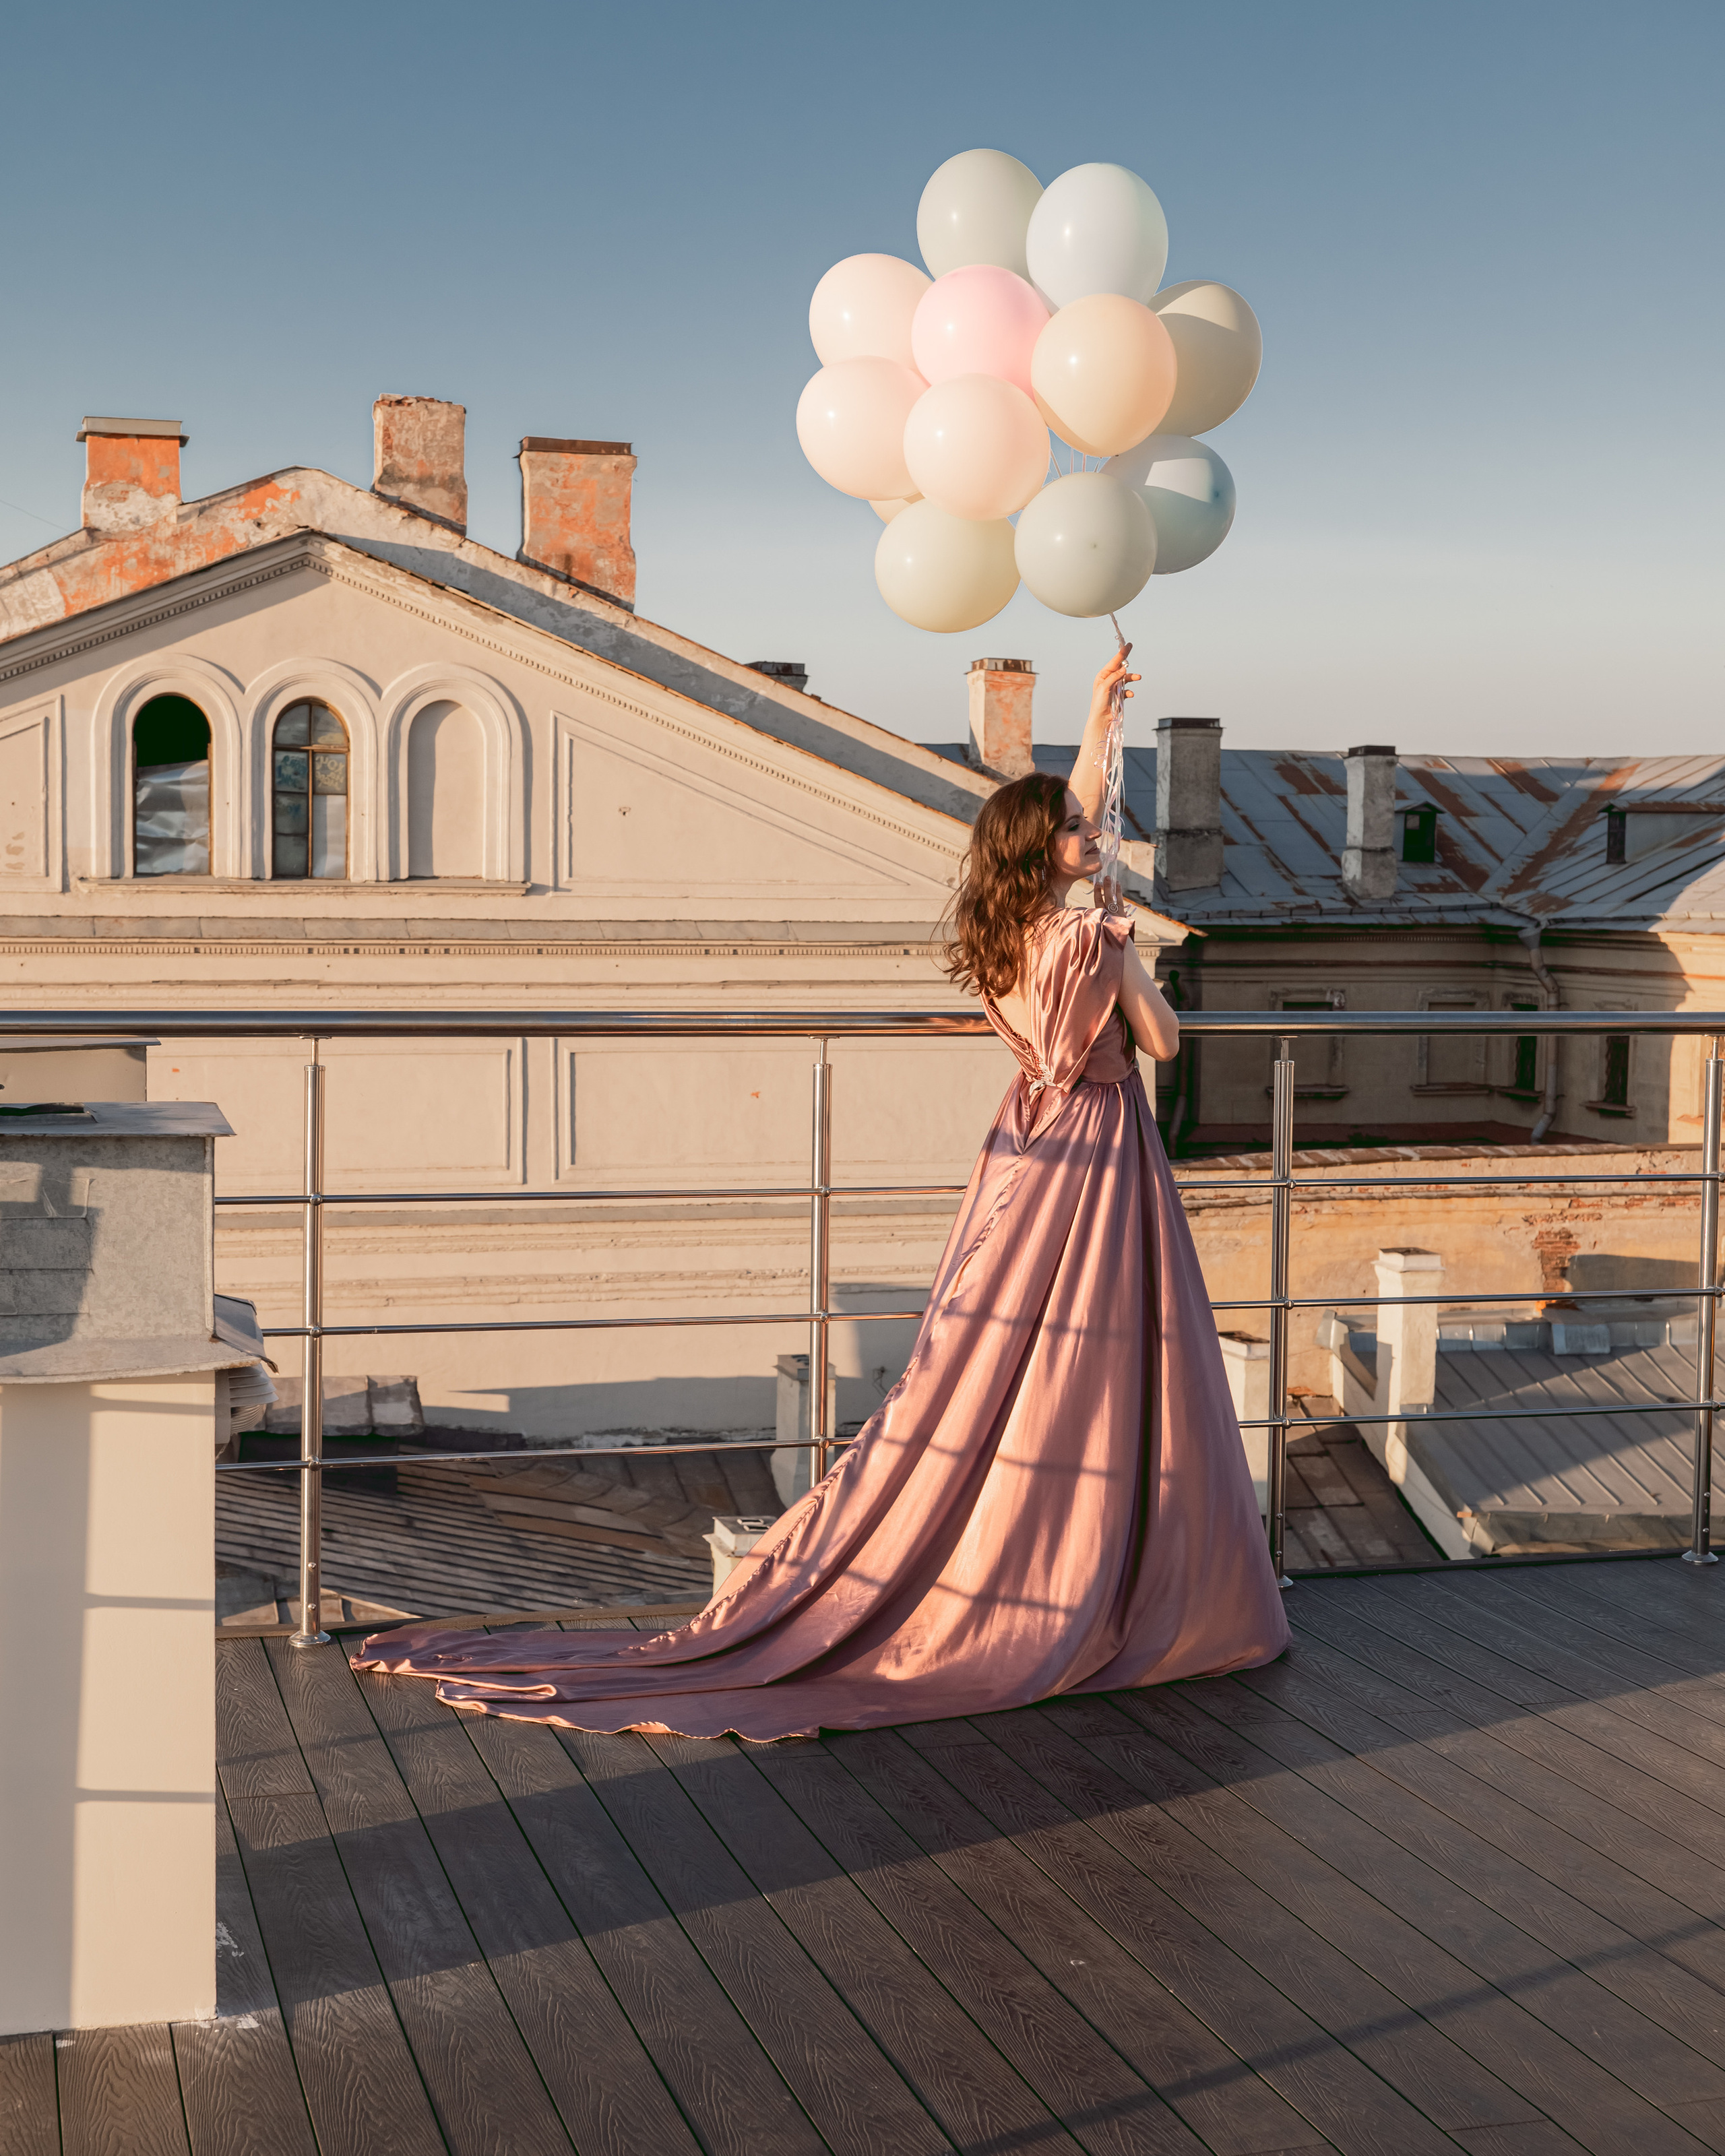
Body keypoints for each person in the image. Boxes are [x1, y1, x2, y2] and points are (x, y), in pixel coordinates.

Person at [353, 653, 1290, 1738]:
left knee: (1002, 1354)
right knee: (1114, 1352)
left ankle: (1032, 1558)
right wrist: (1136, 961)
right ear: (1051, 855)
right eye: (1081, 837)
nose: (1097, 838)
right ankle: (1126, 1579)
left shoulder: (1002, 941)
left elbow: (1069, 815)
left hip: (1028, 1152)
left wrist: (1096, 714)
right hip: (1105, 1149)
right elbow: (1162, 1047)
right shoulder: (1091, 934)